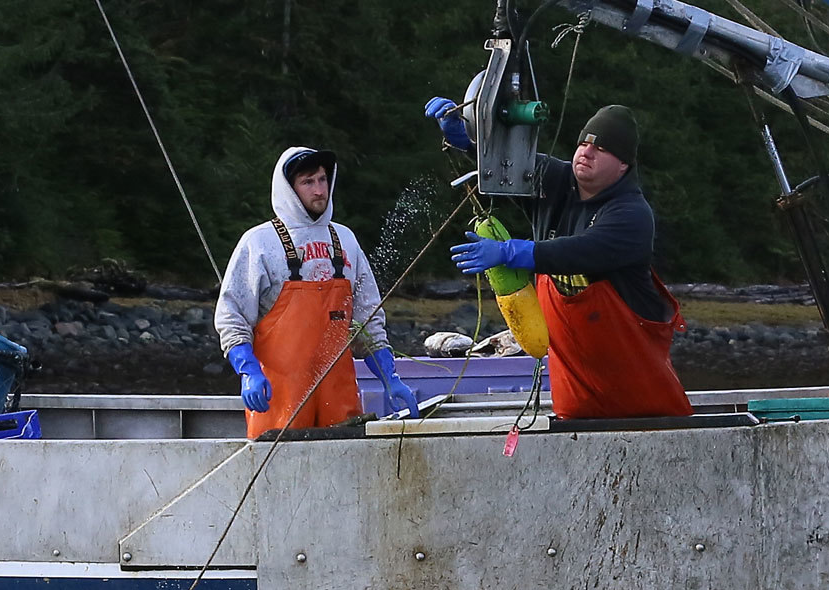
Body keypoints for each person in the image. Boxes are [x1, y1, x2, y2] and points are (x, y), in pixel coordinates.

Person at [425, 99, 691, 420]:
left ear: (623, 165)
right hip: (575, 404)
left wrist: (511, 252)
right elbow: (505, 168)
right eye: (583, 143)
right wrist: (465, 141)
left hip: (642, 406)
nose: (586, 152)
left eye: (601, 149)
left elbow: (580, 251)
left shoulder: (632, 215)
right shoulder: (553, 179)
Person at [215, 146, 418, 438]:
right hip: (279, 401)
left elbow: (368, 318)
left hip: (339, 401)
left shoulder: (345, 240)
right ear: (289, 189)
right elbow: (232, 317)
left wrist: (390, 377)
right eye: (308, 182)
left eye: (322, 180)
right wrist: (249, 372)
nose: (319, 190)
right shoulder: (259, 242)